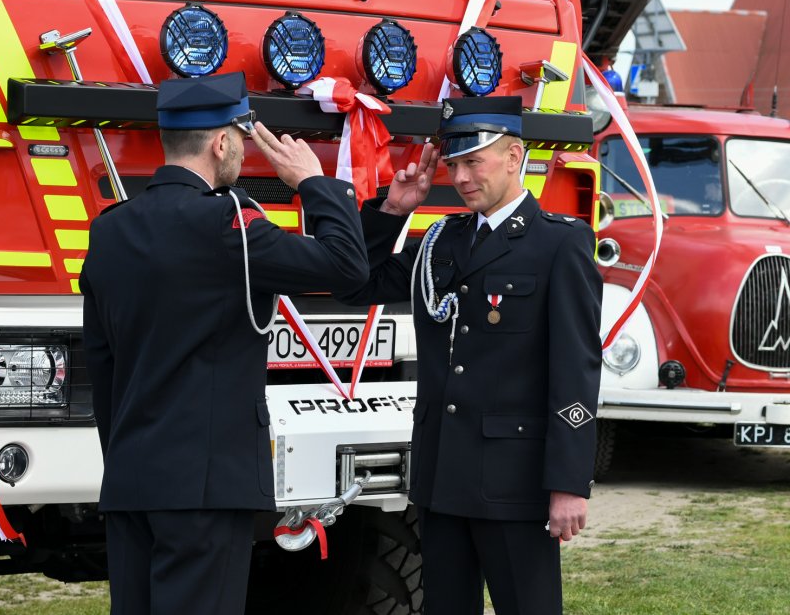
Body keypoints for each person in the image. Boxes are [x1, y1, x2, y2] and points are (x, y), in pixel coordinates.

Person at [79, 71, 370, 615]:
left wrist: (125, 462)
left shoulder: (110, 230)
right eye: (240, 136)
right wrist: (313, 183)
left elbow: (103, 366)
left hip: (132, 481)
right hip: (206, 489)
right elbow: (347, 269)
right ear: (220, 142)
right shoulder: (229, 224)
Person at [338, 95, 603, 614]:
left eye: (473, 162)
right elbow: (356, 284)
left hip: (514, 480)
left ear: (513, 156)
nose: (460, 177)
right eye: (454, 164)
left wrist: (569, 484)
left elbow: (575, 371)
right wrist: (394, 211)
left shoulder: (559, 244)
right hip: (443, 477)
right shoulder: (441, 240)